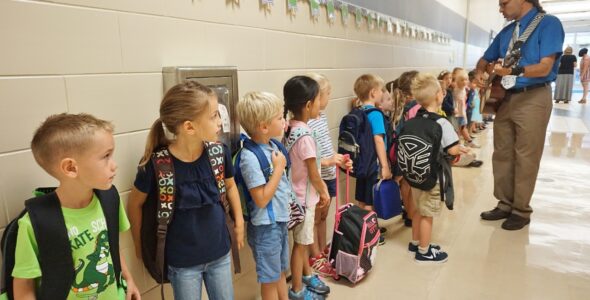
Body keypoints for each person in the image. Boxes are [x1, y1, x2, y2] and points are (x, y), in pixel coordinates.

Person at [128, 81, 245, 300]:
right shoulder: (157, 165)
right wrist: (138, 243)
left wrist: (239, 223)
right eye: (213, 116)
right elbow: (134, 203)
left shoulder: (219, 153)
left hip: (220, 253)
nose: (220, 122)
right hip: (182, 263)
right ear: (189, 127)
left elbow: (230, 186)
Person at [12, 113, 141, 299]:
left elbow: (111, 247)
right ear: (71, 168)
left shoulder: (110, 199)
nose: (114, 165)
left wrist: (128, 280)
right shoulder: (35, 223)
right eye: (106, 156)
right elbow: (24, 284)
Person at [475, 0, 564, 230]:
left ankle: (521, 210)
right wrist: (480, 72)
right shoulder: (507, 32)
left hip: (533, 96)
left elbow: (545, 67)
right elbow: (485, 58)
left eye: (504, 3)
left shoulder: (548, 24)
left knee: (526, 155)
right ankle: (504, 203)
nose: (500, 8)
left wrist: (513, 70)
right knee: (502, 152)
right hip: (505, 97)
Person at [236, 92, 291, 300]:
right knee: (269, 279)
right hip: (266, 227)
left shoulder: (274, 146)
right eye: (279, 117)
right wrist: (278, 169)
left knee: (279, 272)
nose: (283, 120)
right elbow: (261, 199)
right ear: (264, 126)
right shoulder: (249, 157)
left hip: (280, 221)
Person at [405, 74, 465, 263]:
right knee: (427, 214)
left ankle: (416, 241)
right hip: (432, 177)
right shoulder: (442, 122)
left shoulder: (414, 119)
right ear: (439, 96)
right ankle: (423, 251)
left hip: (414, 175)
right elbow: (453, 149)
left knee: (417, 209)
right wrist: (460, 147)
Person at [283, 76, 330, 300]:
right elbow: (314, 173)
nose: (321, 103)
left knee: (302, 241)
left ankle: (308, 274)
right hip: (304, 200)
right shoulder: (306, 137)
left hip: (293, 197)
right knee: (300, 246)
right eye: (319, 98)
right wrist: (325, 192)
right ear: (309, 104)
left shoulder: (289, 127)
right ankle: (297, 290)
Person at [306, 73, 351, 277]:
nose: (329, 97)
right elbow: (310, 158)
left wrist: (337, 158)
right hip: (317, 177)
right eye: (327, 93)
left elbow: (325, 146)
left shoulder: (322, 117)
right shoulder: (306, 124)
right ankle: (314, 254)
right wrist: (328, 161)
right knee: (315, 216)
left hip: (329, 172)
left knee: (324, 214)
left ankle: (323, 248)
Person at [353, 74, 390, 245]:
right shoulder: (376, 114)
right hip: (372, 164)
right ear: (374, 93)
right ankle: (370, 235)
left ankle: (363, 228)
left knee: (362, 198)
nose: (383, 93)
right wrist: (385, 165)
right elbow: (378, 139)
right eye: (382, 90)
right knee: (370, 200)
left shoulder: (358, 111)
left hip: (360, 163)